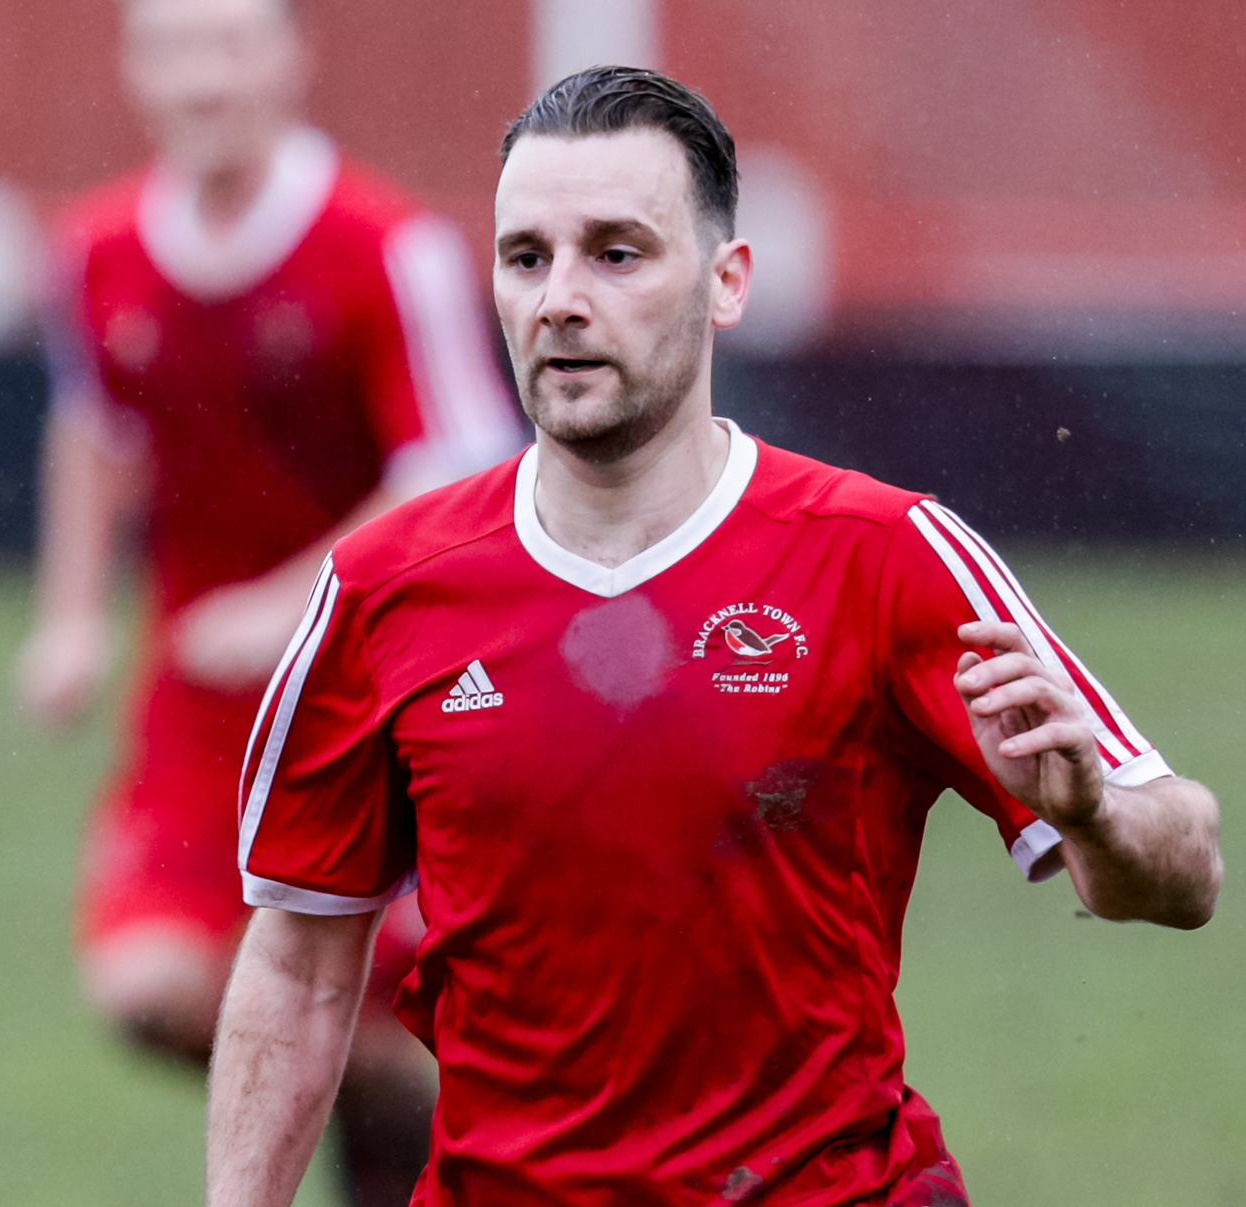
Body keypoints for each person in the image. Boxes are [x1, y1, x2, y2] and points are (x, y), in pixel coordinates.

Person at [204, 67, 1223, 1207]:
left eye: (617, 254)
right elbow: (297, 969)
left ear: (727, 282)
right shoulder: (382, 586)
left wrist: (1094, 815)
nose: (560, 300)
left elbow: (1188, 870)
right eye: (526, 257)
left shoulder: (882, 553)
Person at [14, 0, 520, 1201]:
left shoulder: (386, 246)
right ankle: (395, 1098)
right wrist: (72, 615)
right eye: (173, 50)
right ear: (134, 70)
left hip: (381, 702)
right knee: (146, 987)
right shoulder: (94, 249)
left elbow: (460, 468)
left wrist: (295, 601)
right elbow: (92, 426)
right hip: (202, 709)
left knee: (395, 992)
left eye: (230, 46)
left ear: (291, 60)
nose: (203, 80)